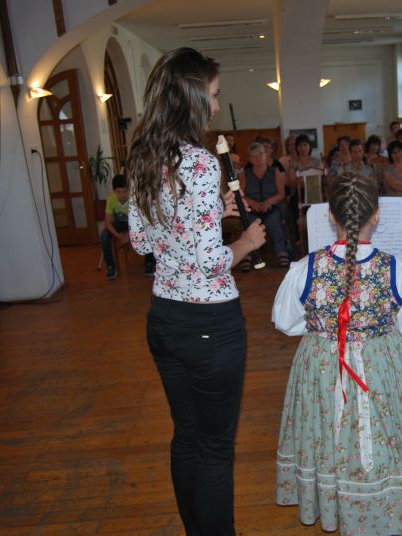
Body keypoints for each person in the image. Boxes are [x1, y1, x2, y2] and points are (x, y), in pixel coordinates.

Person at [127, 47, 266, 536]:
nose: (216, 105)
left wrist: (207, 214)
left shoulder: (144, 156)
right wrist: (246, 243)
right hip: (210, 325)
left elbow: (142, 241)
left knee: (186, 436)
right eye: (213, 94)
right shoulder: (202, 163)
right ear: (190, 98)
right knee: (214, 448)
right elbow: (210, 262)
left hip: (165, 319)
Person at [272, 172, 402, 535]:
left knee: (326, 432)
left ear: (330, 215)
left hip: (322, 366)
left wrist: (323, 329)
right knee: (390, 430)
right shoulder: (396, 269)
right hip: (382, 365)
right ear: (377, 214)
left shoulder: (304, 269)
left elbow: (286, 322)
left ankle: (334, 499)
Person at [242, 142, 290, 269]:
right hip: (252, 209)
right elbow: (241, 195)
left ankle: (282, 252)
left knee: (274, 222)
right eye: (253, 155)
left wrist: (269, 202)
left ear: (265, 155)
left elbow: (281, 194)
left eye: (260, 154)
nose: (257, 158)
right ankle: (247, 255)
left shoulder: (275, 171)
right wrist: (252, 203)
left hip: (271, 207)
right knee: (250, 224)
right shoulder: (244, 174)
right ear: (249, 159)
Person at [101, 174, 155, 279]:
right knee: (104, 235)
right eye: (118, 192)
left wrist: (129, 235)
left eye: (125, 191)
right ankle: (111, 267)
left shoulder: (135, 199)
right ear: (114, 191)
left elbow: (142, 220)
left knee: (150, 230)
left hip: (135, 223)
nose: (122, 195)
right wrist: (119, 236)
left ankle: (149, 263)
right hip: (120, 223)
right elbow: (107, 223)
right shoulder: (111, 200)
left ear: (129, 190)